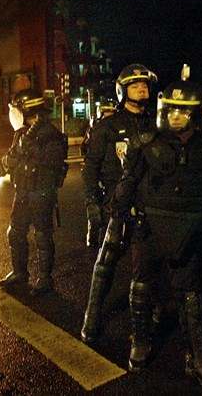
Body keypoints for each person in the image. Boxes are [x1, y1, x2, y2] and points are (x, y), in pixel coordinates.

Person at [110, 79, 202, 392]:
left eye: (183, 111)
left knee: (190, 297)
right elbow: (127, 183)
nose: (176, 116)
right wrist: (116, 215)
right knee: (141, 286)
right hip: (149, 229)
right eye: (172, 110)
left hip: (189, 232)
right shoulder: (145, 141)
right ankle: (140, 341)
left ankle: (197, 356)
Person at [80, 64, 157, 343]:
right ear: (123, 91)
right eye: (135, 85)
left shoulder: (155, 125)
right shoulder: (107, 127)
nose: (142, 88)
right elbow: (90, 168)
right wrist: (92, 202)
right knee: (105, 264)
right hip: (117, 205)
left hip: (148, 207)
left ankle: (142, 331)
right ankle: (92, 315)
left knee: (145, 270)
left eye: (144, 85)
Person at [0, 89, 68, 296]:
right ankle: (20, 273)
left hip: (41, 192)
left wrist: (28, 148)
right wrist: (5, 162)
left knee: (42, 236)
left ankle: (45, 279)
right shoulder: (22, 132)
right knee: (15, 232)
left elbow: (52, 163)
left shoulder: (50, 134)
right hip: (23, 190)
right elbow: (14, 157)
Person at [81, 97, 117, 249]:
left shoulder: (107, 127)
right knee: (97, 209)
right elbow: (86, 150)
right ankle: (95, 237)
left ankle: (101, 240)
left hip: (107, 174)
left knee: (104, 209)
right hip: (101, 172)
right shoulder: (97, 128)